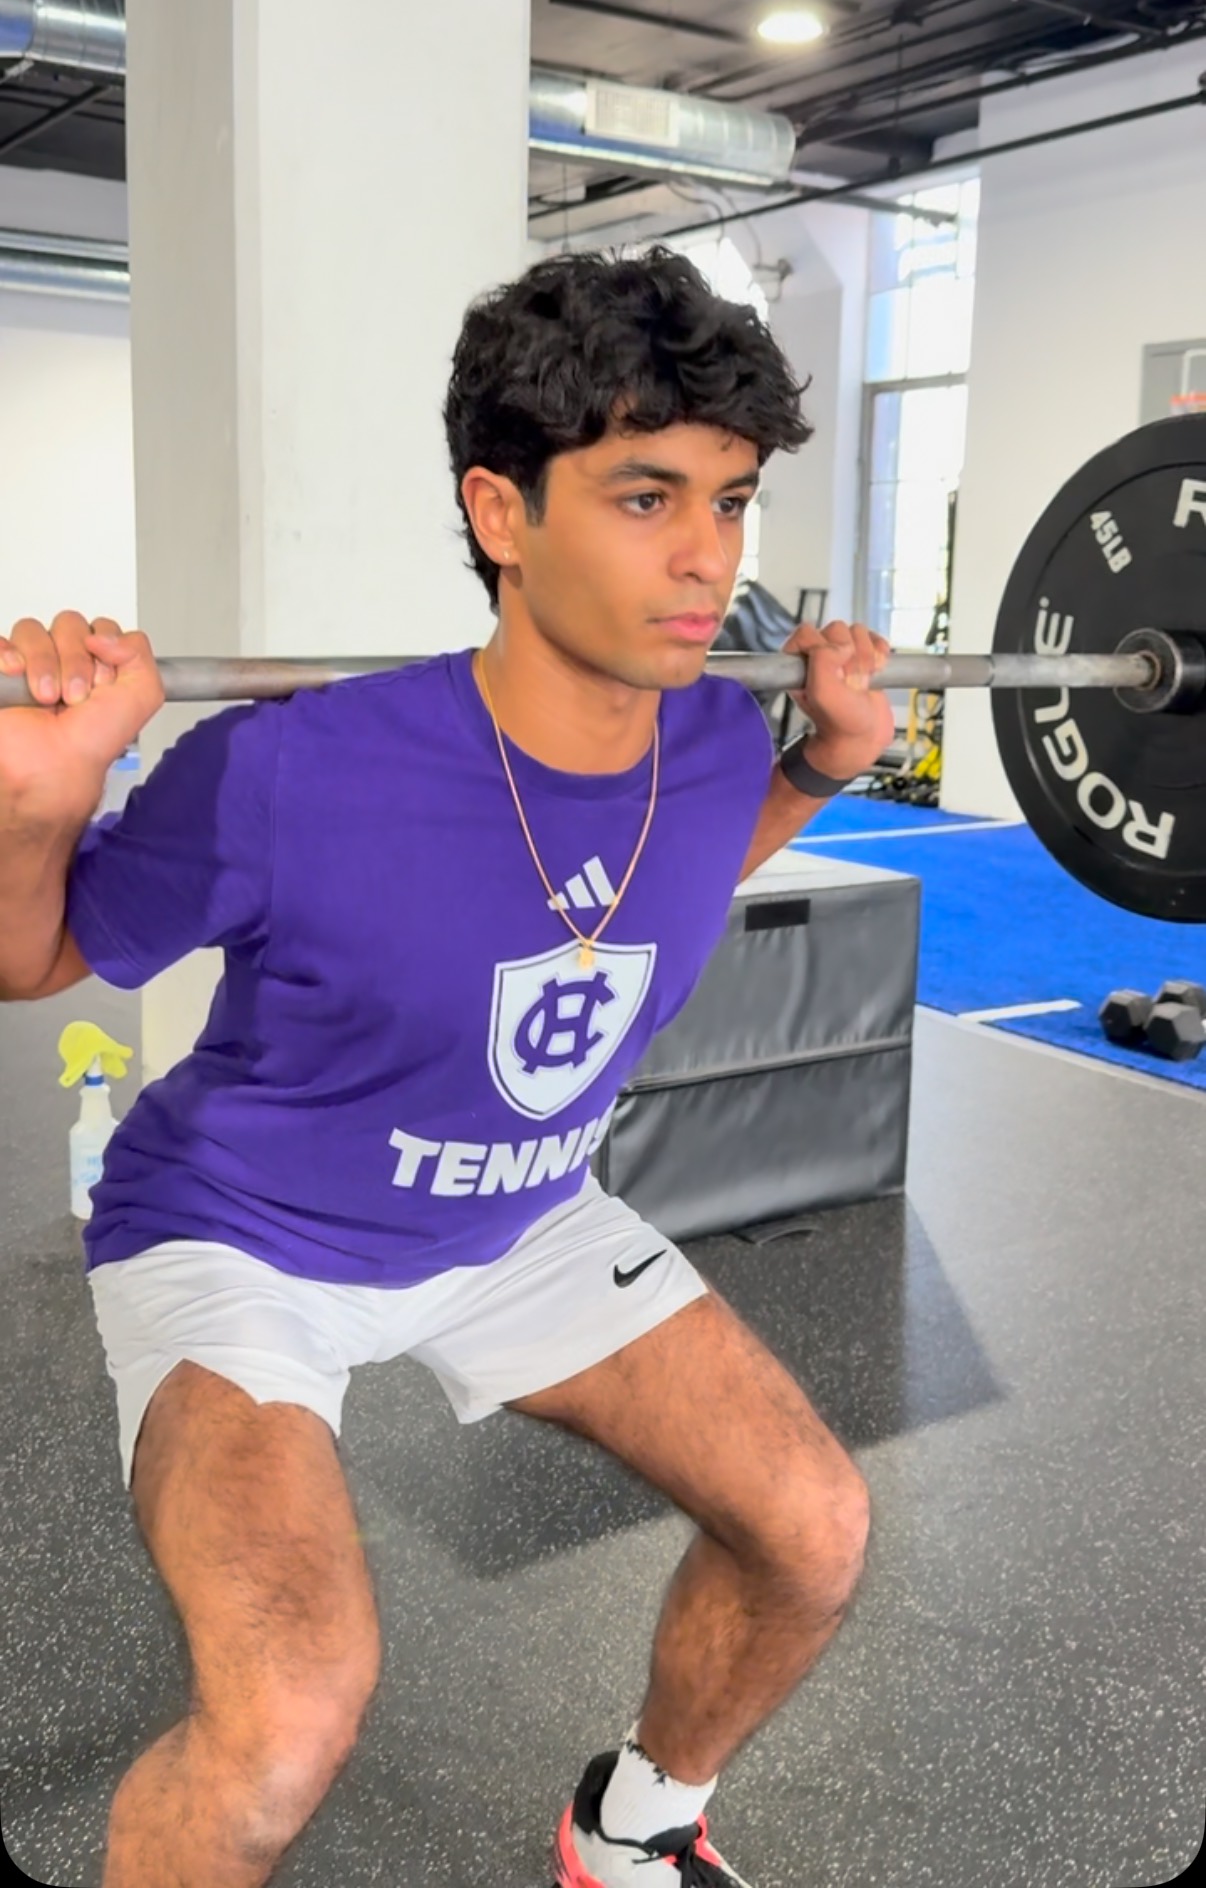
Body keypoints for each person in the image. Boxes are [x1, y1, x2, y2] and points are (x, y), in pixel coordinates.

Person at [0, 246, 895, 1888]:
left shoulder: (711, 735)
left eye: (730, 500)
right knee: (285, 1715)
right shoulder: (290, 768)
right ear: (501, 512)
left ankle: (631, 1829)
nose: (707, 558)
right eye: (644, 498)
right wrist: (39, 802)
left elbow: (689, 866)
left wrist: (825, 768)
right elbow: (32, 955)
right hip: (246, 1240)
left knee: (813, 1529)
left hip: (522, 1218)